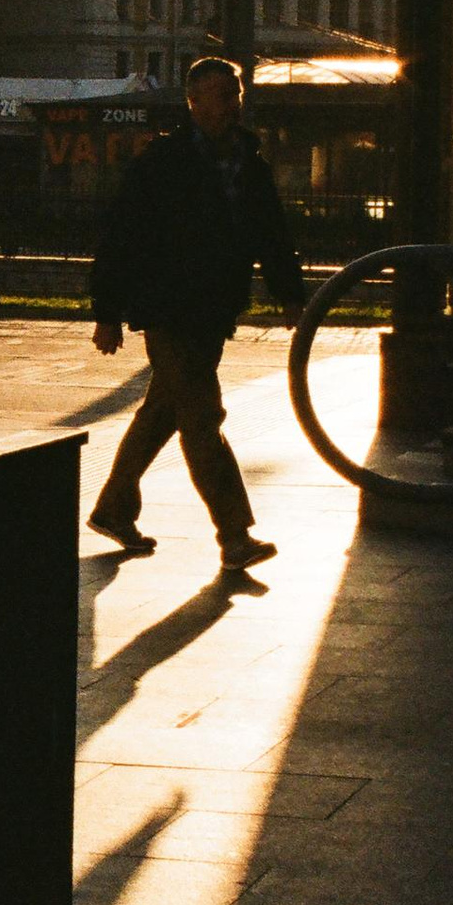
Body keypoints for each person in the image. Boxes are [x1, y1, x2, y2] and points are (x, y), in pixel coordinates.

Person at [86, 54, 303, 567]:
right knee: (203, 418)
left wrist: (289, 294)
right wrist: (108, 311)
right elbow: (122, 236)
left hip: (211, 311)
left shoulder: (248, 162)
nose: (233, 105)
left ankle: (114, 508)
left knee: (164, 411)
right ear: (194, 101)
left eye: (237, 94)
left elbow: (271, 236)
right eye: (223, 95)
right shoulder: (164, 163)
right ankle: (233, 534)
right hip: (169, 309)